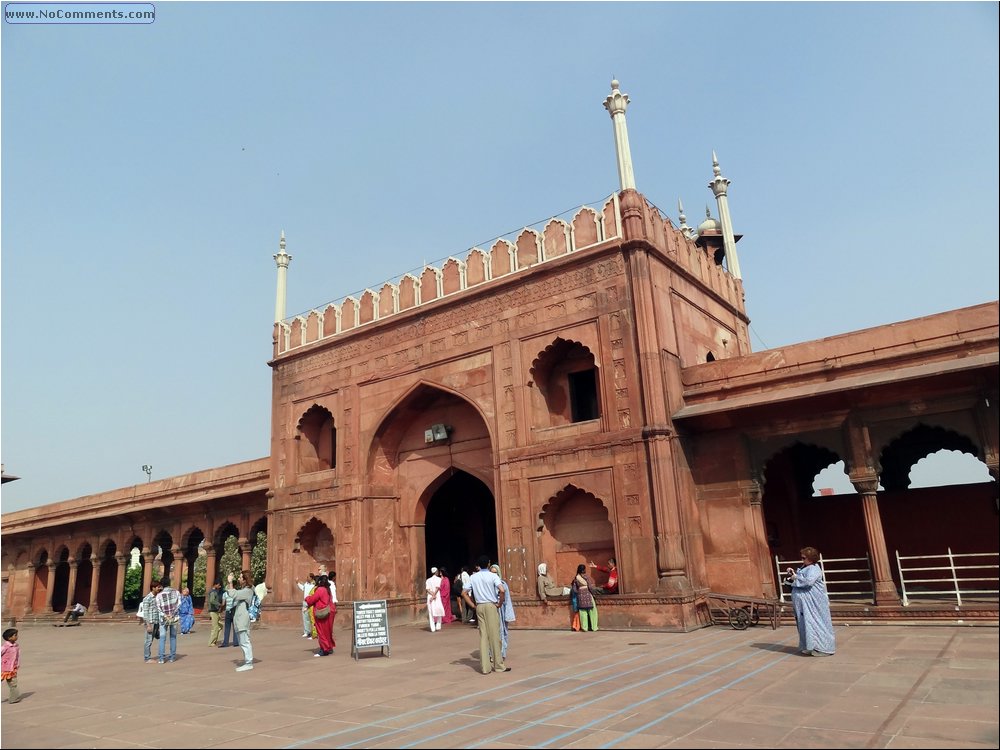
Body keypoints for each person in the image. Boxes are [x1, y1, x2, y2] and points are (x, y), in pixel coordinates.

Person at [461, 555, 510, 675]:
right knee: (494, 635)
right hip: (491, 605)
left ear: (478, 565)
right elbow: (502, 590)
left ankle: (485, 668)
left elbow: (464, 593)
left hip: (479, 606)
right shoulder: (492, 576)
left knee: (483, 636)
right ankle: (498, 665)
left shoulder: (473, 577)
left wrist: (473, 605)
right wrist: (500, 603)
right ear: (488, 564)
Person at [787, 546, 836, 657]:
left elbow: (808, 582)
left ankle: (823, 648)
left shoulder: (814, 569)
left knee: (817, 622)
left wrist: (795, 578)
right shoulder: (805, 567)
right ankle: (810, 646)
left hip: (814, 603)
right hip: (805, 604)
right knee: (806, 623)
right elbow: (801, 576)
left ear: (811, 558)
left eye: (804, 558)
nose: (802, 560)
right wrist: (793, 573)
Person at [489, 564, 516, 660]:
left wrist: (508, 615)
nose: (494, 575)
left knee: (502, 632)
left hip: (502, 611)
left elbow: (507, 600)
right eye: (492, 573)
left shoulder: (503, 584)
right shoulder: (488, 585)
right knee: (492, 633)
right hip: (492, 610)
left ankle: (502, 653)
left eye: (495, 573)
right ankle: (492, 654)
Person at [231, 570, 256, 671]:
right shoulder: (246, 590)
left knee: (245, 641)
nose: (239, 579)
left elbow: (234, 594)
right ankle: (248, 661)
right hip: (240, 618)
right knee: (243, 641)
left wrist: (230, 582)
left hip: (243, 619)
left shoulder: (248, 591)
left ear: (245, 580)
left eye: (241, 578)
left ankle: (249, 662)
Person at [305, 573, 335, 657]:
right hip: (329, 611)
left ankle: (324, 649)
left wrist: (307, 598)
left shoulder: (320, 589)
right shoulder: (327, 589)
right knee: (328, 632)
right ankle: (329, 647)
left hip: (321, 612)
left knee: (321, 632)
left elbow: (312, 599)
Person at [155, 577, 181, 663]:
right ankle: (172, 657)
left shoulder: (159, 595)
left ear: (161, 585)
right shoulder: (176, 592)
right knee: (173, 637)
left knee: (162, 638)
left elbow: (158, 608)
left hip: (163, 619)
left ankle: (161, 658)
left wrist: (165, 615)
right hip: (174, 618)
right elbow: (179, 604)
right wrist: (172, 614)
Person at [139, 581, 162, 663]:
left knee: (159, 637)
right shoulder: (147, 598)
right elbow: (145, 613)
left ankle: (160, 654)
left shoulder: (158, 597)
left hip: (156, 621)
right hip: (151, 622)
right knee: (148, 640)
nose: (160, 588)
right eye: (158, 587)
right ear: (153, 588)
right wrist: (148, 625)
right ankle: (147, 658)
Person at [572, 564, 599, 632]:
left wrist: (580, 592)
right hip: (588, 595)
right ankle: (594, 627)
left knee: (582, 612)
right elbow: (590, 587)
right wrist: (594, 594)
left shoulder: (576, 578)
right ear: (584, 570)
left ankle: (584, 628)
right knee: (592, 611)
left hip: (580, 596)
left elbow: (574, 589)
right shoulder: (586, 577)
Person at [2, 628, 22, 704]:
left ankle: (13, 698)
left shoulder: (16, 646)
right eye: (15, 635)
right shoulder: (5, 647)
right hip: (4, 669)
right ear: (9, 637)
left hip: (12, 669)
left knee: (13, 684)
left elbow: (18, 657)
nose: (17, 636)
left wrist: (17, 664)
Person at [220, 578, 240, 648]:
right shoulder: (237, 593)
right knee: (235, 627)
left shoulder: (225, 594)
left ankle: (225, 642)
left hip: (228, 611)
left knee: (227, 627)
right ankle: (236, 642)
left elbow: (223, 604)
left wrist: (221, 609)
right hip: (235, 611)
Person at [297, 574, 317, 639]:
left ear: (311, 578)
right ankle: (306, 631)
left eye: (308, 577)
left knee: (312, 618)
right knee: (305, 617)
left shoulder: (314, 585)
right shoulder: (306, 584)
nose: (307, 578)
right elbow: (303, 588)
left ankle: (313, 632)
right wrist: (297, 583)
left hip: (311, 602)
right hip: (305, 602)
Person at [425, 567, 445, 632]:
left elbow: (427, 589)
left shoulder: (428, 580)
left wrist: (432, 595)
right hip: (436, 597)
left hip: (430, 597)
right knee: (439, 610)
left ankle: (432, 628)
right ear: (436, 572)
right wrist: (434, 595)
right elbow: (437, 588)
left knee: (431, 612)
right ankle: (438, 625)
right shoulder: (439, 579)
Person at [206, 581, 223, 647]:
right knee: (215, 627)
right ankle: (211, 642)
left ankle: (214, 640)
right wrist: (219, 604)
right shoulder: (213, 592)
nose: (220, 586)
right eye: (219, 585)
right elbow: (212, 600)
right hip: (213, 611)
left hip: (215, 611)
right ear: (215, 584)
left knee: (220, 626)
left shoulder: (214, 591)